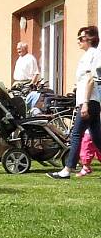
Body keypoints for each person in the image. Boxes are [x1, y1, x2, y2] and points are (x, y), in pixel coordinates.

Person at [48, 26, 101, 179]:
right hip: (89, 101)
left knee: (76, 134)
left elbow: (91, 79)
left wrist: (84, 103)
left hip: (89, 101)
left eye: (81, 37)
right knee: (97, 137)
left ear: (90, 39)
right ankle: (68, 169)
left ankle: (67, 170)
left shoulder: (94, 54)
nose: (78, 41)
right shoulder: (87, 55)